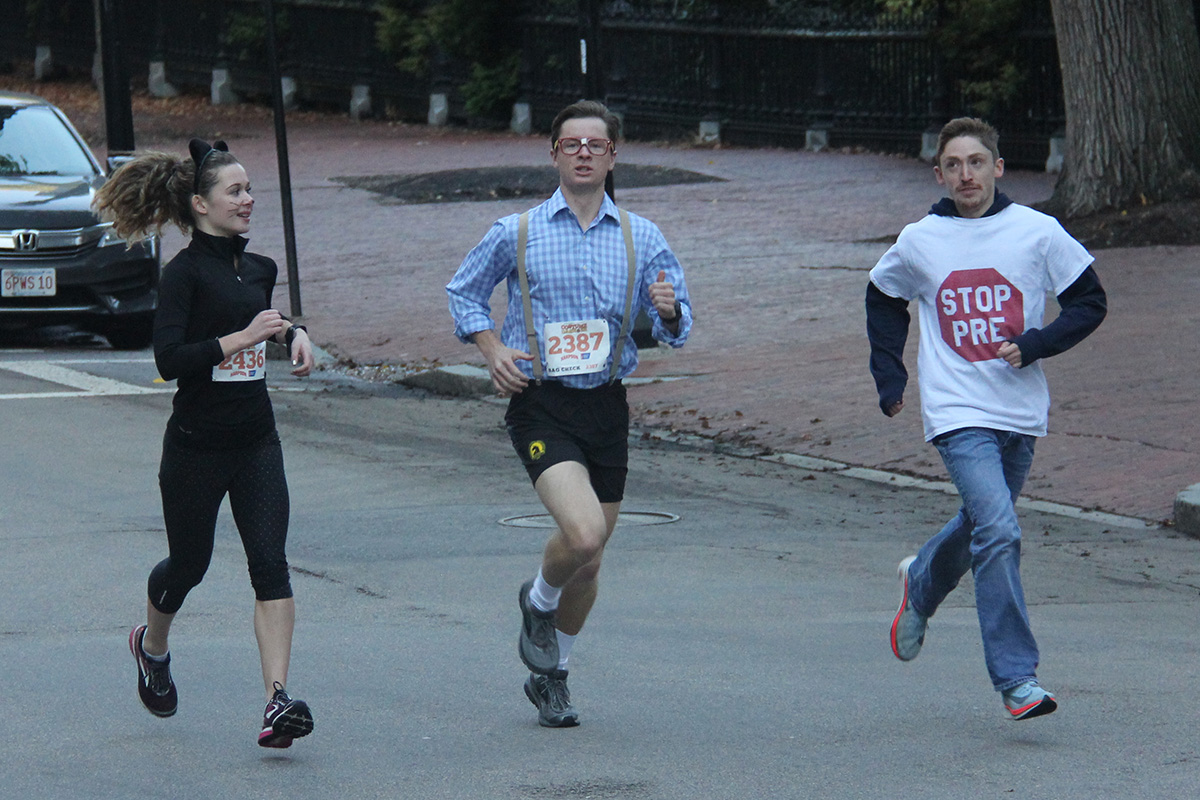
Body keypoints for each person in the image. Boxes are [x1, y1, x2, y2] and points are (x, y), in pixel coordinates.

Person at [446, 100, 693, 727]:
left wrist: (667, 310)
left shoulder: (642, 236)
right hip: (541, 403)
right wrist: (493, 349)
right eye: (572, 144)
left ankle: (553, 676)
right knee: (583, 535)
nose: (584, 153)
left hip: (606, 404)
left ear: (613, 157)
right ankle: (537, 601)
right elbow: (464, 293)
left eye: (596, 145)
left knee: (593, 559)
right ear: (554, 154)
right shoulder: (517, 231)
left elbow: (675, 324)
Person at [866, 117, 1106, 720]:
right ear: (939, 175)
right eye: (953, 165)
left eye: (976, 162)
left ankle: (921, 585)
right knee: (999, 529)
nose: (965, 174)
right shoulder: (921, 240)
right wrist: (890, 377)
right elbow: (883, 295)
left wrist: (1037, 343)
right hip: (956, 410)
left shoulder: (1036, 231)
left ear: (998, 167)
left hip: (1019, 410)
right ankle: (1017, 679)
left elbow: (1090, 301)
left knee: (982, 524)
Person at [95, 139, 316, 747]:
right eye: (235, 191)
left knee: (270, 565)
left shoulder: (259, 268)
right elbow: (169, 360)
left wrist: (293, 334)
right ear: (200, 203)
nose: (248, 200)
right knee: (188, 565)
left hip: (256, 441)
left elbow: (264, 320)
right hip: (196, 446)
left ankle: (276, 701)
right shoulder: (183, 275)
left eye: (249, 190)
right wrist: (242, 337)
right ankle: (152, 646)